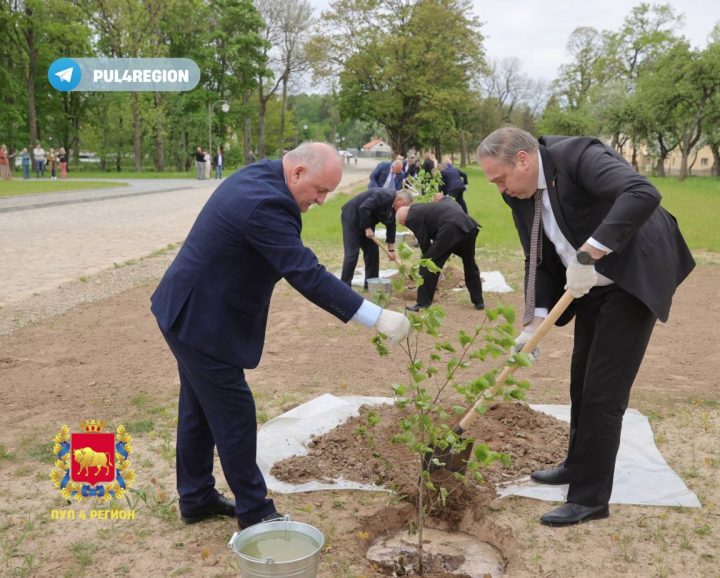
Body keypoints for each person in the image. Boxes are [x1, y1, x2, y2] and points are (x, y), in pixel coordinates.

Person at [150, 142, 410, 531]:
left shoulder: (264, 177)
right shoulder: (266, 204)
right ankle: (255, 513)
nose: (322, 201)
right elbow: (305, 272)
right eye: (320, 191)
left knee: (199, 410)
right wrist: (375, 317)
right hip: (200, 319)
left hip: (191, 308)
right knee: (234, 413)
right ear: (298, 173)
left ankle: (196, 497)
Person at [477, 127, 695, 527]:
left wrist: (588, 253)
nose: (501, 190)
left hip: (632, 274)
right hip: (590, 283)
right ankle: (577, 465)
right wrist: (533, 323)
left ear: (523, 160)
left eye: (501, 179)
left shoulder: (578, 156)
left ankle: (590, 498)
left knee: (603, 392)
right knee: (580, 380)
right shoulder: (519, 196)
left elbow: (642, 193)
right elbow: (538, 258)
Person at [396, 196, 484, 312]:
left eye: (405, 225)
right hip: (468, 225)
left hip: (451, 228)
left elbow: (423, 240)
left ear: (403, 220)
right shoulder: (419, 209)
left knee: (427, 263)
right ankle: (478, 301)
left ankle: (423, 303)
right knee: (469, 263)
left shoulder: (411, 217)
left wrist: (427, 259)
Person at [340, 188, 414, 289]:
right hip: (352, 218)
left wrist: (391, 250)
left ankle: (371, 285)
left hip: (367, 222)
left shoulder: (394, 208)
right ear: (398, 201)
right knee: (352, 254)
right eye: (404, 206)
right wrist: (367, 228)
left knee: (372, 252)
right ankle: (344, 286)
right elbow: (364, 208)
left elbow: (391, 227)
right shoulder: (383, 195)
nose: (404, 209)